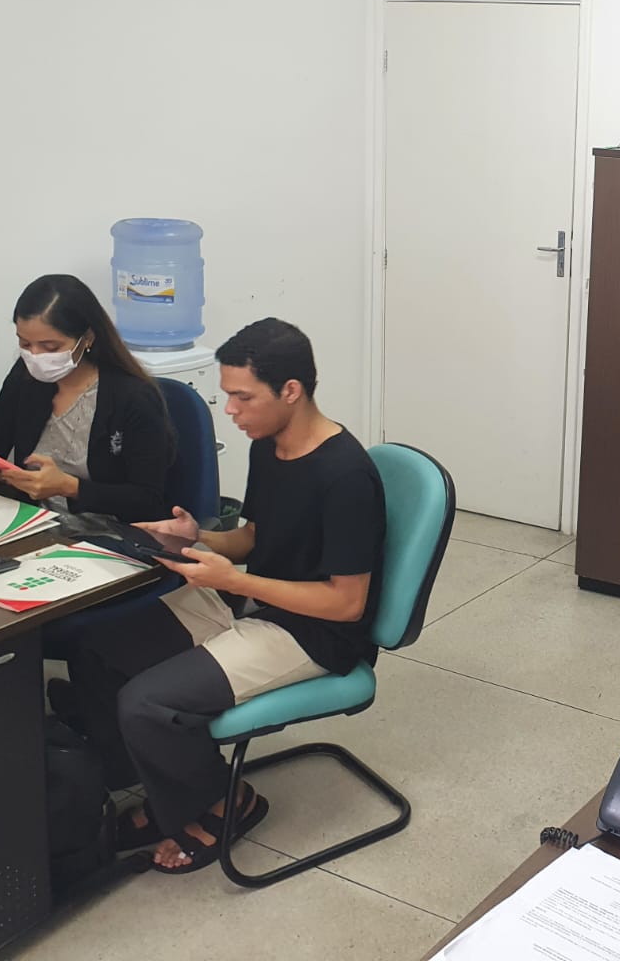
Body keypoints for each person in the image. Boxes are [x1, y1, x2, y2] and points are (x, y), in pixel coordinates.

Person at [63, 318, 386, 875]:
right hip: (259, 607)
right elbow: (255, 538)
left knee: (145, 702)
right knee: (96, 644)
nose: (231, 410)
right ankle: (164, 788)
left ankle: (226, 802)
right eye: (228, 395)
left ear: (291, 390)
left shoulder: (345, 476)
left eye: (243, 397)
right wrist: (197, 539)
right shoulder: (270, 446)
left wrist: (233, 582)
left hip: (315, 635)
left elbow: (346, 604)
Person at [0, 274, 172, 521]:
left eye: (50, 347)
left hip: (109, 533)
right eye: (25, 344)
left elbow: (147, 499)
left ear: (87, 338)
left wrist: (70, 487)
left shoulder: (133, 397)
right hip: (35, 522)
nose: (35, 356)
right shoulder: (26, 376)